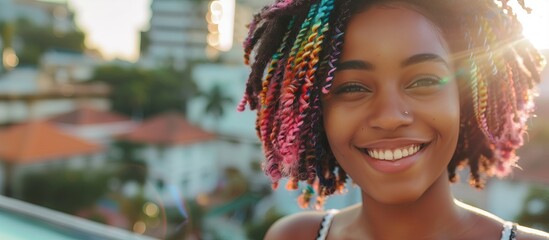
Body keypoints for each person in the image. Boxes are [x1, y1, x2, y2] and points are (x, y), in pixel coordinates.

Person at [238, 0, 549, 239]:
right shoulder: (293, 237)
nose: (389, 117)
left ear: (464, 98)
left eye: (424, 81)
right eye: (352, 87)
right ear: (316, 114)